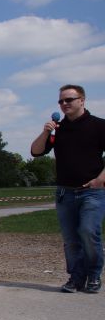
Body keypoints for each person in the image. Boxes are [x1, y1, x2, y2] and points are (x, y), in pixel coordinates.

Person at [30, 84, 105, 293]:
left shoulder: (99, 125)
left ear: (82, 100)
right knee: (71, 240)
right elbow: (36, 151)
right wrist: (46, 132)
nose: (64, 104)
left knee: (88, 231)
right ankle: (76, 278)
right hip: (65, 193)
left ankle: (94, 275)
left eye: (69, 100)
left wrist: (101, 179)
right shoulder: (59, 129)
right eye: (61, 101)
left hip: (92, 192)